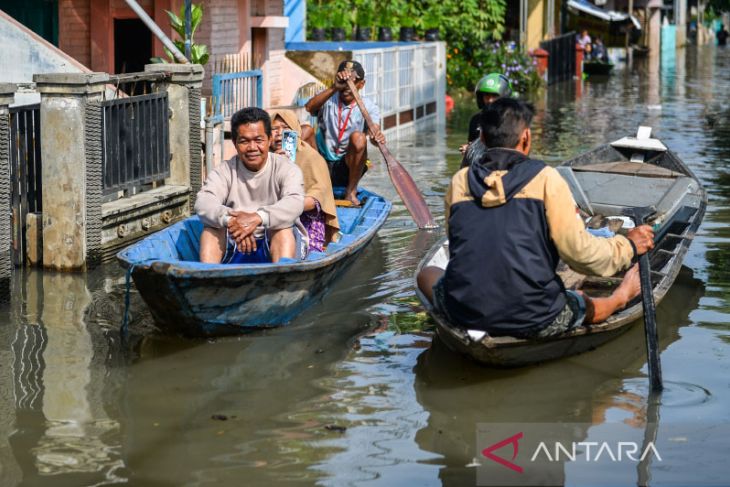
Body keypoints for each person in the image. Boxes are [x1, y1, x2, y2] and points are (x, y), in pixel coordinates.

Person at [417, 98, 655, 339]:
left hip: (463, 312)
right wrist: (629, 245)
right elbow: (581, 256)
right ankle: (621, 297)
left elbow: (458, 243)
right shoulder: (546, 179)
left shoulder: (460, 181)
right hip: (533, 317)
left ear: (482, 140)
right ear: (527, 138)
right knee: (578, 301)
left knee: (426, 274)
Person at [195, 107, 305, 264]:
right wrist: (231, 221)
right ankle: (209, 283)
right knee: (211, 230)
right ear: (234, 142)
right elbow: (204, 202)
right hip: (235, 239)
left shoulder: (286, 168)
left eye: (258, 140)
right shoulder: (225, 171)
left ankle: (282, 281)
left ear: (269, 140)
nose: (252, 147)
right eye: (244, 141)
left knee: (283, 230)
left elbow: (294, 203)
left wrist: (258, 218)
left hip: (270, 240)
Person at [303, 60, 386, 206]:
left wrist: (376, 136)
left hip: (347, 167)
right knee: (304, 131)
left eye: (353, 81)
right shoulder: (327, 98)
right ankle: (304, 186)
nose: (348, 86)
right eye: (344, 80)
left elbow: (374, 134)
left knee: (359, 138)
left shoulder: (369, 107)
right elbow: (309, 108)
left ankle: (351, 191)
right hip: (321, 162)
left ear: (362, 84)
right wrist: (335, 87)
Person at [268, 108, 341, 252]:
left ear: (295, 131)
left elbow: (318, 197)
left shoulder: (311, 158)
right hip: (272, 218)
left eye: (285, 128)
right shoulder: (264, 158)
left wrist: (286, 206)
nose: (279, 133)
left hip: (306, 221)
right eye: (274, 129)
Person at [459, 73, 513, 168]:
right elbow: (471, 142)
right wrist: (468, 148)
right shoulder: (476, 120)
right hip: (479, 166)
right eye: (487, 96)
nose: (490, 100)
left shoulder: (512, 121)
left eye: (495, 96)